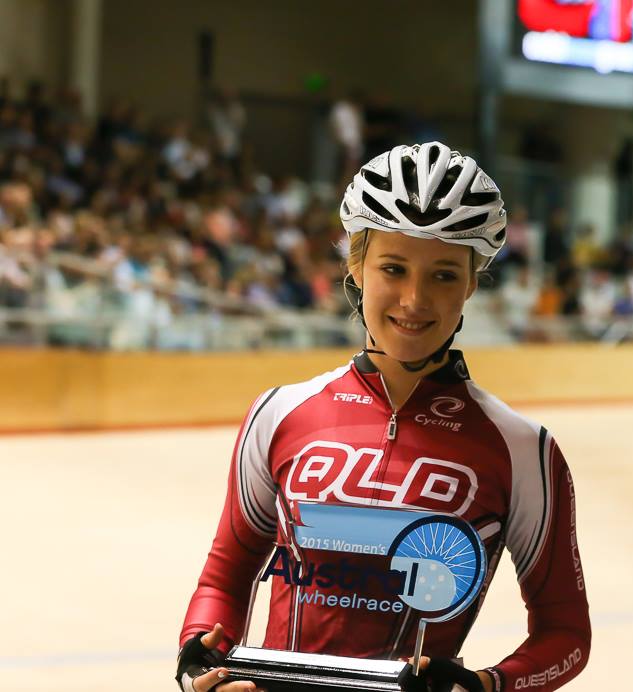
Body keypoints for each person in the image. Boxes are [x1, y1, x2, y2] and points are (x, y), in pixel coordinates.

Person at [176, 142, 591, 692]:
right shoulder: (279, 413)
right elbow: (225, 574)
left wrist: (488, 685)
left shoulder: (522, 449)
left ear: (472, 282)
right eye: (393, 269)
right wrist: (199, 660)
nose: (415, 299)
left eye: (444, 275)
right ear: (356, 266)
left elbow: (566, 634)